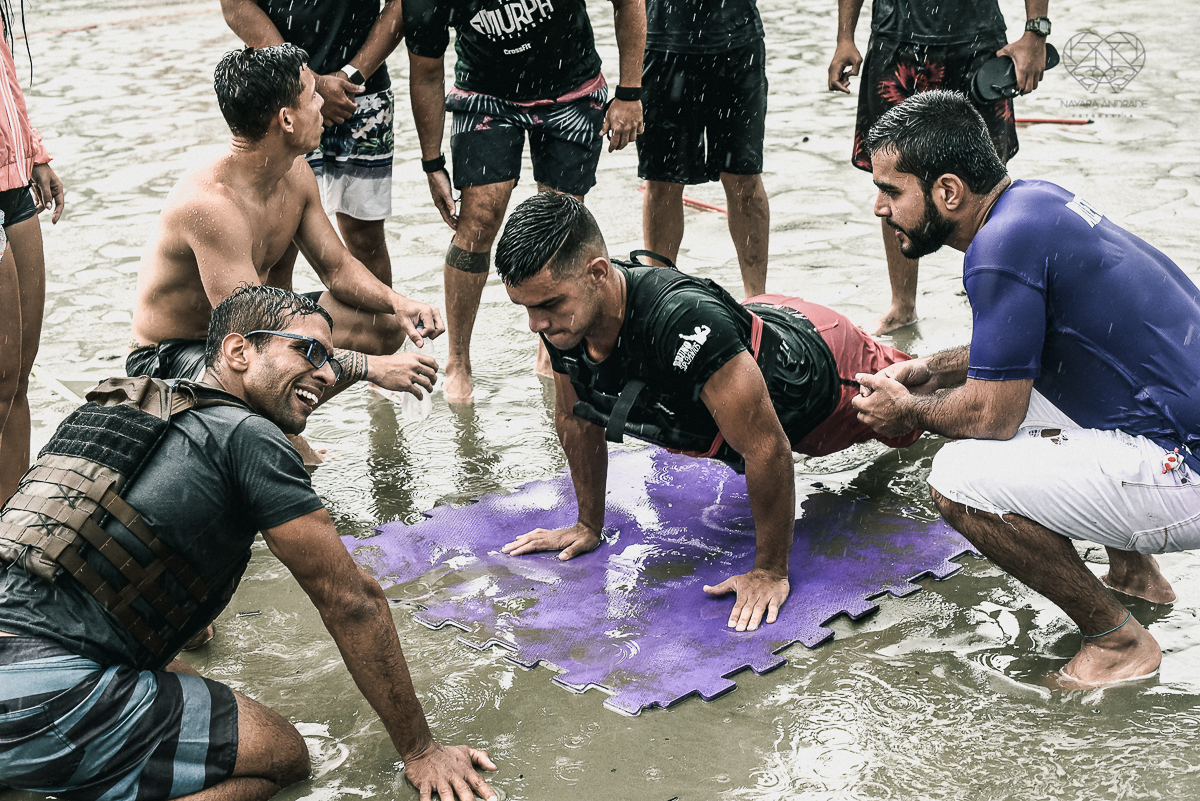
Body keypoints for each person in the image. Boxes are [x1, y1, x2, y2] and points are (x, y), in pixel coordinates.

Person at [0, 285, 498, 801]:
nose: (327, 373)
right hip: (41, 695)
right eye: (307, 351)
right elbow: (351, 602)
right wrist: (422, 752)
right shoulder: (249, 436)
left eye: (329, 358)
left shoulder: (124, 406)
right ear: (239, 352)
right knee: (283, 757)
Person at [850, 90, 1200, 688]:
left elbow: (993, 415)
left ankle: (1115, 642)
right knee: (1037, 398)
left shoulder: (995, 251)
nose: (880, 207)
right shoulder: (1036, 203)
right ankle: (1137, 577)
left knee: (957, 479)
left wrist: (908, 409)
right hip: (1177, 422)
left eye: (891, 190)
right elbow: (1056, 343)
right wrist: (934, 368)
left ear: (948, 192)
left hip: (1187, 467)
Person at [494, 193, 922, 632]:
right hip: (750, 330)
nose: (535, 324)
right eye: (526, 308)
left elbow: (769, 447)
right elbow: (577, 418)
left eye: (547, 305)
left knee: (923, 408)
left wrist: (770, 571)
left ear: (598, 273)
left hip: (826, 368)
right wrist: (587, 524)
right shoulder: (567, 321)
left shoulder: (679, 319)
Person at [130, 46, 443, 436]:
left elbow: (337, 268)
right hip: (174, 355)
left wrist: (399, 303)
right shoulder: (212, 206)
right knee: (262, 369)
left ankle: (285, 430)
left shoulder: (295, 172)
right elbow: (253, 340)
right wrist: (370, 368)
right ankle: (281, 437)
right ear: (287, 119)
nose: (321, 103)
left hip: (252, 337)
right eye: (313, 94)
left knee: (384, 325)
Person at [404, 0, 646, 402]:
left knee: (562, 224)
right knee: (478, 220)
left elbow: (628, 3)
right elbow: (427, 70)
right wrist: (432, 162)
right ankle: (458, 359)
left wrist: (630, 92)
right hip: (484, 94)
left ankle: (554, 351)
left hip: (572, 87)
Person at [827, 0, 1050, 335]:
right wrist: (845, 36)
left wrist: (1036, 31)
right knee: (894, 179)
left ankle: (992, 298)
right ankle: (902, 307)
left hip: (976, 42)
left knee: (986, 181)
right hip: (896, 40)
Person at [221, 0, 403, 286]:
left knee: (364, 237)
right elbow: (235, 6)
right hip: (280, 92)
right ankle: (278, 330)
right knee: (277, 245)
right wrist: (308, 81)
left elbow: (402, 5)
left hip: (360, 91)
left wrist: (351, 74)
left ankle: (385, 329)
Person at [638, 0, 769, 300]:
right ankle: (660, 298)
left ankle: (758, 301)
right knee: (662, 182)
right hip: (662, 42)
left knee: (744, 179)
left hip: (737, 41)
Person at [0, 8, 66, 501]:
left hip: (14, 183)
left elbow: (7, 77)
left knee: (19, 373)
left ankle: (8, 523)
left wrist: (35, 152)